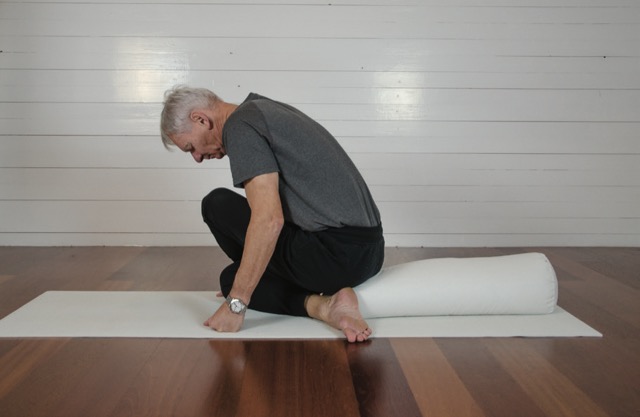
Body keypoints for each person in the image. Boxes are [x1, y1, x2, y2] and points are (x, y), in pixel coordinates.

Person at [160, 86, 384, 343]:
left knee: (217, 206)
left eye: (190, 147)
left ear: (201, 119)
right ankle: (261, 282)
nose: (197, 158)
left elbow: (269, 220)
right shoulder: (262, 109)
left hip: (335, 259)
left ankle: (323, 307)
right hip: (370, 254)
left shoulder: (240, 126)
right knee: (232, 276)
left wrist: (237, 302)